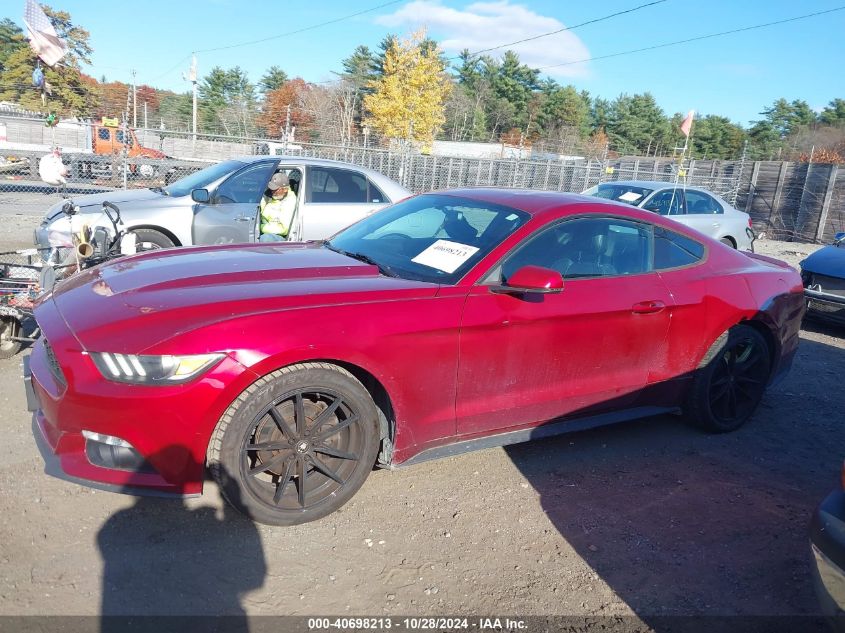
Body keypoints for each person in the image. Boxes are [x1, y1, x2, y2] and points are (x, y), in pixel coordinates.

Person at [259, 171, 297, 241]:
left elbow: (283, 229)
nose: (272, 191)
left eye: (275, 189)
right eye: (271, 189)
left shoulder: (289, 202)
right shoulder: (274, 196)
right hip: (265, 227)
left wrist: (260, 227)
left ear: (285, 189)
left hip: (279, 235)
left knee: (265, 239)